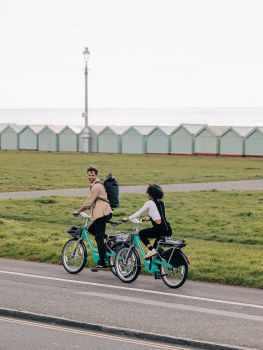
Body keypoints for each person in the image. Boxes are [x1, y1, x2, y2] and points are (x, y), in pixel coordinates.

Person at [73, 166, 112, 270]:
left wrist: (78, 211)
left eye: (92, 175)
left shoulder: (96, 186)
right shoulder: (97, 184)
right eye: (89, 175)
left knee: (98, 238)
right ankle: (107, 240)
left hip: (102, 214)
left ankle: (102, 263)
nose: (90, 177)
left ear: (96, 175)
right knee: (91, 230)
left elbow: (88, 203)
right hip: (102, 213)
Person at [125, 184, 172, 259]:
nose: (147, 195)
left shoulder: (149, 203)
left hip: (159, 229)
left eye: (148, 193)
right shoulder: (162, 203)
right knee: (157, 249)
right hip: (168, 229)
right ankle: (157, 259)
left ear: (151, 194)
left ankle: (151, 250)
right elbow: (160, 216)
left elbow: (138, 213)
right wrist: (149, 218)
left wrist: (128, 218)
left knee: (142, 233)